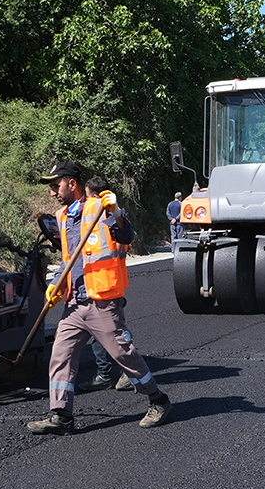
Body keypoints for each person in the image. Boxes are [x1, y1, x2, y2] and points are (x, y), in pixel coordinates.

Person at [28, 160, 172, 434]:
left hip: (101, 301)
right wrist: (58, 283)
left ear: (71, 183)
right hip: (75, 303)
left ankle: (159, 401)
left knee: (123, 354)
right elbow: (71, 259)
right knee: (60, 356)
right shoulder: (61, 217)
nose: (51, 192)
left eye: (55, 185)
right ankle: (61, 415)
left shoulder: (100, 208)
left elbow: (125, 234)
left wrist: (116, 212)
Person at [76, 176, 133, 393]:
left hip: (103, 280)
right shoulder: (115, 211)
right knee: (104, 331)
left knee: (112, 331)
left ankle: (122, 372)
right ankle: (107, 373)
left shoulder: (100, 212)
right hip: (109, 279)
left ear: (90, 193)